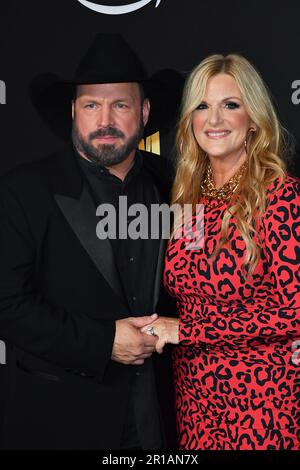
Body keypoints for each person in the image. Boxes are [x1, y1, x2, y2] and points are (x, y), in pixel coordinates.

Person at [0, 33, 180, 449]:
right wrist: (102, 343)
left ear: (145, 111)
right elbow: (7, 303)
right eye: (91, 105)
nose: (105, 121)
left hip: (163, 415)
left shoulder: (176, 185)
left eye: (120, 104)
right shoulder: (22, 191)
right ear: (73, 112)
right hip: (65, 417)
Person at [142, 54, 300, 450]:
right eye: (202, 106)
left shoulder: (281, 197)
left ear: (253, 118)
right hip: (195, 401)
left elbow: (294, 312)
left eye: (230, 104)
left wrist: (186, 331)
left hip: (265, 400)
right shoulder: (190, 201)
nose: (214, 120)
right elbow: (191, 287)